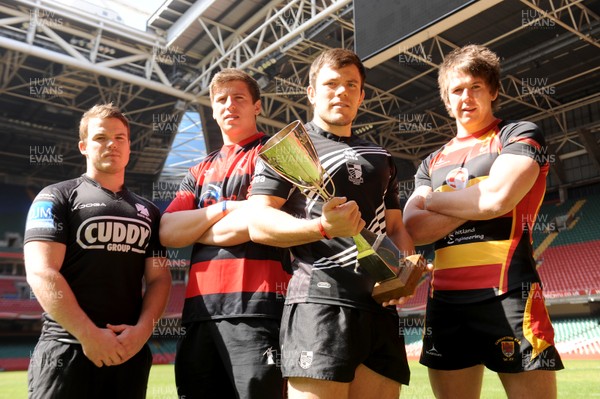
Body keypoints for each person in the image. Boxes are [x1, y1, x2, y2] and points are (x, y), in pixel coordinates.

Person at [247, 48, 414, 399]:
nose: (342, 92)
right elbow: (258, 222)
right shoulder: (292, 148)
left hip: (379, 306)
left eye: (351, 85)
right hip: (320, 302)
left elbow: (397, 228)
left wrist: (403, 270)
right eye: (331, 84)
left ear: (362, 95)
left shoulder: (380, 156)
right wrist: (321, 228)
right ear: (311, 93)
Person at [402, 44, 564, 399]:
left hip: (509, 293)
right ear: (446, 99)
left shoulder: (518, 134)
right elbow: (414, 228)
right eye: (457, 90)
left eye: (476, 86)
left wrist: (432, 200)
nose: (466, 97)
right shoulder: (431, 162)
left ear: (492, 91)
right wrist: (472, 201)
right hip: (444, 302)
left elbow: (496, 200)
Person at [23, 103, 172, 398]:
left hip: (129, 352)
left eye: (120, 138)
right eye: (100, 137)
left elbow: (159, 280)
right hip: (67, 349)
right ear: (83, 146)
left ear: (129, 147)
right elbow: (41, 272)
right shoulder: (56, 196)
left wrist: (142, 332)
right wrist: (88, 335)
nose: (111, 145)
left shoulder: (151, 212)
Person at [159, 68, 292, 399]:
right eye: (221, 99)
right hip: (200, 310)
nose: (229, 105)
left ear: (257, 106)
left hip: (259, 306)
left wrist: (196, 227)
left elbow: (258, 221)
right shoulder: (198, 170)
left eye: (239, 98)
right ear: (213, 108)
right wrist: (223, 209)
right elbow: (167, 231)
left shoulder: (275, 152)